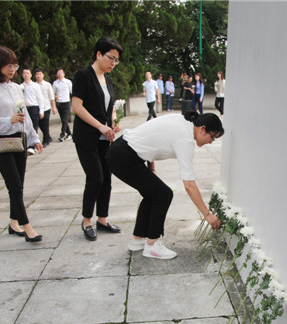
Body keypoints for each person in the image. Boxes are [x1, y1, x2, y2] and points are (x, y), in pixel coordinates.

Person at [106, 111, 224, 259]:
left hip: (121, 151)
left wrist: (152, 169)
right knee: (163, 195)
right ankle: (152, 245)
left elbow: (150, 139)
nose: (211, 141)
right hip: (124, 158)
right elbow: (189, 185)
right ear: (202, 129)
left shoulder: (181, 121)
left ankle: (137, 240)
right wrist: (207, 214)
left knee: (153, 194)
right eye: (212, 137)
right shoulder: (185, 140)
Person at [0, 46, 43, 242]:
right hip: (1, 142)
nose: (13, 69)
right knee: (14, 185)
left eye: (15, 65)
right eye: (9, 65)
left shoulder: (16, 87)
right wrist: (8, 121)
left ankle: (13, 223)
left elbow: (25, 117)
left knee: (19, 185)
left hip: (19, 140)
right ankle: (27, 226)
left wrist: (34, 138)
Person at [71, 37, 123, 241]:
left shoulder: (107, 79)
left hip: (104, 137)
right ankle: (86, 220)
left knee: (107, 179)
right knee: (95, 177)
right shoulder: (83, 75)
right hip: (86, 136)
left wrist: (113, 123)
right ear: (98, 54)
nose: (113, 63)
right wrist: (100, 126)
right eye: (111, 58)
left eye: (116, 60)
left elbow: (109, 109)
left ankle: (102, 219)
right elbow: (77, 106)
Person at [21, 66, 44, 155]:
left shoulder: (35, 86)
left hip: (34, 107)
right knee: (25, 126)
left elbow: (39, 98)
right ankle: (27, 144)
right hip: (24, 109)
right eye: (24, 73)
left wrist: (41, 110)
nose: (26, 75)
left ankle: (32, 145)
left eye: (27, 73)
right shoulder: (20, 86)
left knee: (34, 126)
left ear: (30, 75)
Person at [34, 68, 56, 147]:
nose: (38, 76)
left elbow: (51, 97)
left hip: (46, 107)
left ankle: (45, 140)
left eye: (40, 74)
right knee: (40, 124)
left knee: (45, 124)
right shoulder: (34, 85)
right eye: (37, 74)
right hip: (38, 107)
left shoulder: (47, 84)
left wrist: (54, 107)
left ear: (43, 75)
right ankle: (48, 136)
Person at [53, 67, 73, 142]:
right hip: (59, 103)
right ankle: (70, 134)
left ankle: (62, 134)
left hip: (66, 102)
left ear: (64, 74)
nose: (60, 74)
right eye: (58, 72)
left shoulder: (68, 82)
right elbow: (53, 93)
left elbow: (72, 91)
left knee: (65, 119)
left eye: (61, 72)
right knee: (63, 120)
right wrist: (55, 96)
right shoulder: (55, 83)